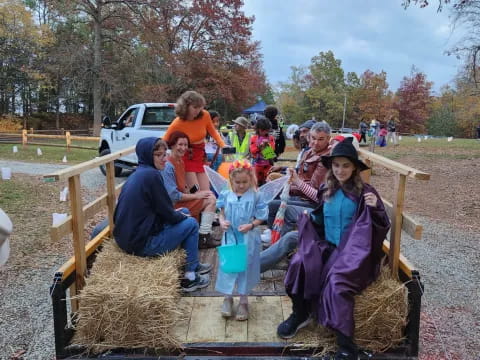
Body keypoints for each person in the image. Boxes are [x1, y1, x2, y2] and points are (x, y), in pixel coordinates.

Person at [277, 137, 390, 360]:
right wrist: (309, 219)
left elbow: (381, 224)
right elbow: (320, 218)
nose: (340, 170)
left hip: (355, 254)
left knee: (337, 284)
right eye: (336, 165)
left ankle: (346, 344)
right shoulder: (326, 189)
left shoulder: (364, 193)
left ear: (355, 167)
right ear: (330, 166)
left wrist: (376, 209)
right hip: (329, 247)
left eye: (346, 165)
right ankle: (300, 312)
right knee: (299, 262)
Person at [113, 137, 212, 292]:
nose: (165, 159)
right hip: (141, 244)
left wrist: (178, 214)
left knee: (185, 211)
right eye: (159, 155)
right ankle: (190, 278)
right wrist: (180, 217)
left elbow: (160, 209)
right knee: (191, 224)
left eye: (164, 154)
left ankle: (193, 263)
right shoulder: (152, 176)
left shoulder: (139, 173)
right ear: (147, 155)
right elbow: (168, 213)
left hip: (128, 238)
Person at [216, 159, 268, 321]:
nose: (241, 185)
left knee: (246, 267)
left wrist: (251, 225)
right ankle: (227, 297)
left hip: (248, 237)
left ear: (251, 178)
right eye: (237, 182)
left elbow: (261, 217)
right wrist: (222, 222)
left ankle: (244, 301)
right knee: (228, 267)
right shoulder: (226, 193)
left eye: (245, 182)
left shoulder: (256, 195)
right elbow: (221, 212)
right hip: (230, 236)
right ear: (231, 180)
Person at [267, 121, 332, 231]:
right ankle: (274, 231)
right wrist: (284, 171)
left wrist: (289, 187)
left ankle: (276, 233)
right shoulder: (310, 152)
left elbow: (314, 193)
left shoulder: (325, 159)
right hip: (303, 195)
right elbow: (301, 174)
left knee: (274, 204)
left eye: (321, 139)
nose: (315, 142)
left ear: (328, 139)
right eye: (313, 138)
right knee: (273, 195)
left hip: (313, 203)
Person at [162, 131, 219, 249]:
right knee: (211, 199)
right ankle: (203, 236)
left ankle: (201, 233)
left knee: (208, 195)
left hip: (180, 201)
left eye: (186, 145)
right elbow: (173, 196)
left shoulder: (180, 161)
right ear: (172, 145)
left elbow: (183, 187)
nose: (184, 148)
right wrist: (196, 196)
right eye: (180, 145)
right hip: (173, 206)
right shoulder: (168, 165)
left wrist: (194, 192)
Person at [163, 91, 226, 192]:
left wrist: (223, 145)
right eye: (195, 107)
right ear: (186, 107)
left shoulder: (205, 115)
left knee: (207, 192)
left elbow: (213, 132)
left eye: (200, 107)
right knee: (195, 192)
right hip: (186, 157)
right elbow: (164, 141)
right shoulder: (177, 123)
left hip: (200, 156)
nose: (198, 110)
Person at [250, 116, 275, 186]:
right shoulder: (254, 138)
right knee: (256, 183)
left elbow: (271, 153)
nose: (265, 132)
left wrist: (266, 146)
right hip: (257, 165)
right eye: (262, 130)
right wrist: (259, 147)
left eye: (266, 130)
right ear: (258, 129)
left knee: (268, 183)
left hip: (268, 165)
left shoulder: (271, 138)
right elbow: (252, 151)